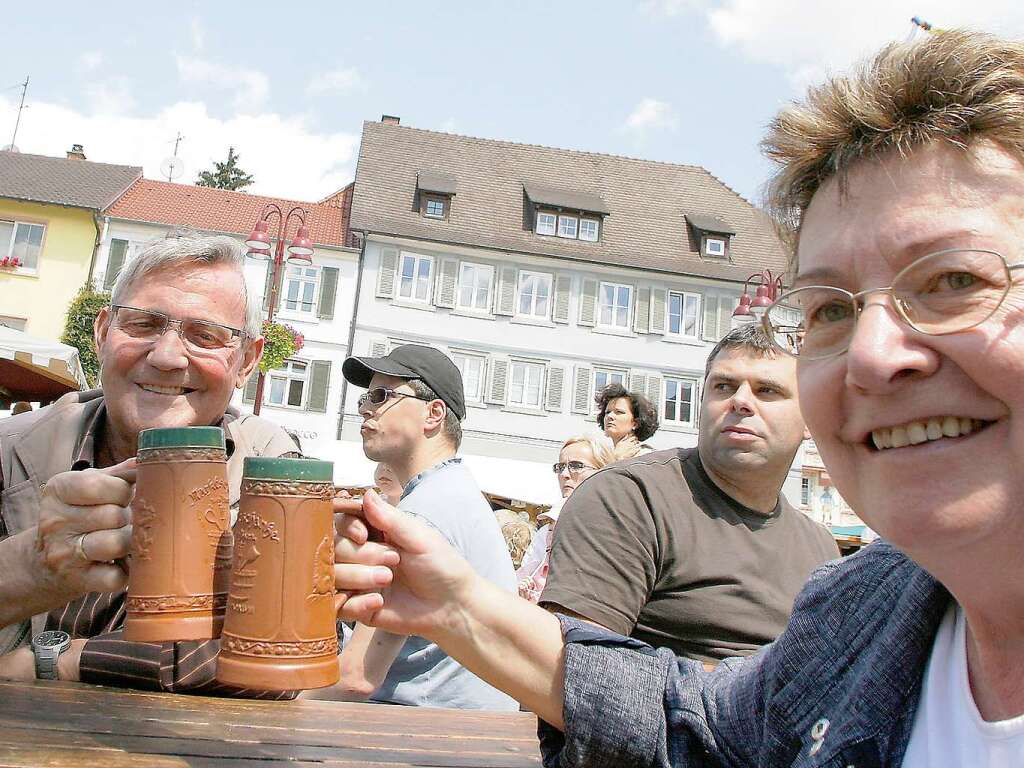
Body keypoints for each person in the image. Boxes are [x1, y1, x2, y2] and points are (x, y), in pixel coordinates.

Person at [332, 30, 1024, 765]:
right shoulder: (868, 606)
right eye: (831, 310)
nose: (874, 355)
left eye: (956, 281)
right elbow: (698, 724)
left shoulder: (832, 567)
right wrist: (456, 606)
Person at [0, 234, 298, 696]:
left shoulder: (274, 471)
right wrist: (33, 565)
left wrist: (62, 660)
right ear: (102, 333)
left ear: (246, 362)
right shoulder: (10, 448)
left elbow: (280, 657)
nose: (166, 357)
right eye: (141, 324)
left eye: (206, 336)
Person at [543, 324, 838, 662]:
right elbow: (579, 674)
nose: (740, 401)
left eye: (767, 390)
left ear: (811, 420)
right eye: (723, 387)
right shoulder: (627, 498)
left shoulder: (820, 548)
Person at [310, 344, 517, 710]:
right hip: (463, 732)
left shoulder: (424, 511)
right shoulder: (452, 490)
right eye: (365, 398)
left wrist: (271, 696)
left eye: (380, 395)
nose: (364, 408)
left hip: (426, 735)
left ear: (433, 414)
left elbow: (356, 678)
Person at [517, 433, 614, 603]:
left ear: (603, 471)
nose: (564, 474)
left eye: (576, 466)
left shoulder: (616, 528)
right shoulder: (547, 531)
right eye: (560, 467)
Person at [594, 383, 658, 458]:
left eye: (619, 412)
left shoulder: (647, 456)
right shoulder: (602, 456)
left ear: (636, 423)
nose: (609, 416)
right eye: (607, 412)